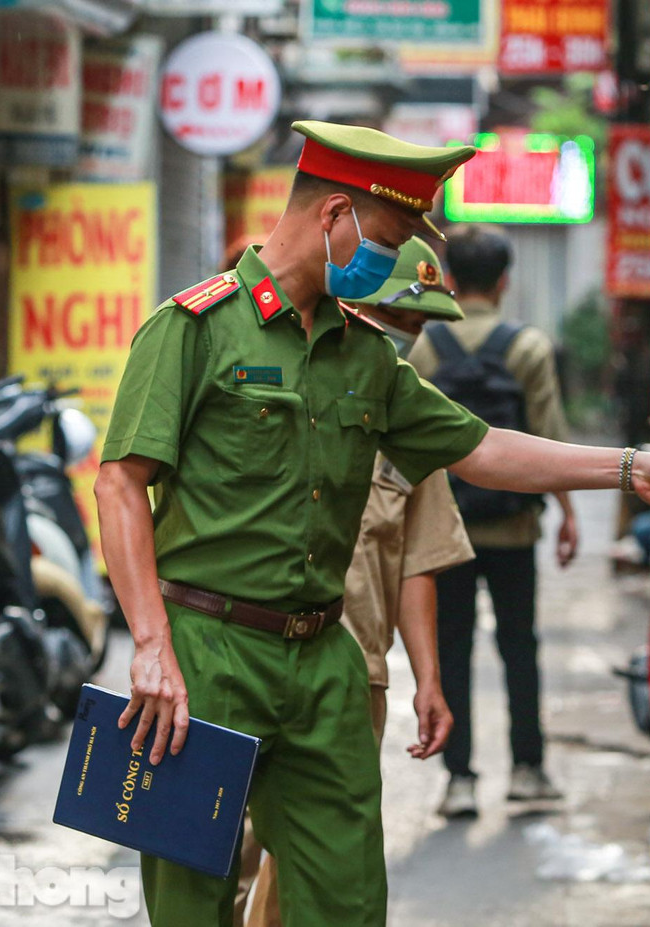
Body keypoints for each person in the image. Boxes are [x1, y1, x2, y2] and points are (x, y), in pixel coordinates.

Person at [94, 119, 650, 927]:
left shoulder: (366, 358)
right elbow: (120, 485)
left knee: (348, 901)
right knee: (191, 905)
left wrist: (631, 466)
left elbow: (485, 449)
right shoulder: (192, 329)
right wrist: (150, 645)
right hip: (205, 658)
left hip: (324, 661)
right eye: (386, 239)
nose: (388, 264)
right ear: (333, 217)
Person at [237, 237, 475, 927]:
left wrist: (427, 677)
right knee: (220, 848)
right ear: (351, 305)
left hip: (353, 671)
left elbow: (417, 560)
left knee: (308, 869)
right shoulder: (268, 383)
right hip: (246, 658)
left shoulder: (411, 415)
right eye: (399, 323)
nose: (408, 341)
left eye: (419, 329)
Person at [407, 225, 576, 817]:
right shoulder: (527, 347)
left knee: (450, 649)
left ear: (450, 280)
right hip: (514, 527)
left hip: (445, 530)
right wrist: (569, 515)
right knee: (518, 646)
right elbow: (549, 438)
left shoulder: (426, 347)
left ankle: (459, 781)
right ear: (505, 281)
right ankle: (528, 770)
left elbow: (411, 444)